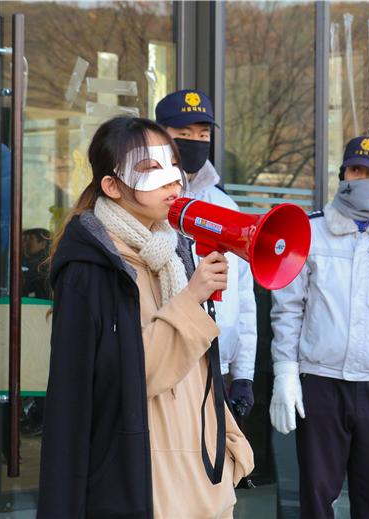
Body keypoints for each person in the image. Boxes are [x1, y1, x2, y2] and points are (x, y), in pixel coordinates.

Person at [37, 116, 253, 519]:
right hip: (144, 486)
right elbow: (122, 380)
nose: (172, 179)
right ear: (111, 185)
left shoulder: (177, 254)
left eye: (173, 164)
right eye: (151, 167)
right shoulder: (91, 269)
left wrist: (230, 448)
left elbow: (199, 373)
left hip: (204, 481)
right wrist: (190, 300)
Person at [270, 136, 369, 518]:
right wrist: (285, 372)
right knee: (317, 496)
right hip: (321, 382)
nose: (363, 179)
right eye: (356, 170)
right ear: (343, 175)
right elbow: (288, 310)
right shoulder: (310, 232)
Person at [156, 89, 257, 420]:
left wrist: (243, 375)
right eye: (184, 134)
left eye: (203, 135)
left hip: (219, 368)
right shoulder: (149, 203)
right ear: (160, 135)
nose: (195, 142)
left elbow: (243, 298)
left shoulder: (225, 205)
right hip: (167, 365)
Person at [22, 227, 51, 299]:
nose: (27, 243)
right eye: (26, 239)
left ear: (43, 243)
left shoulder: (38, 265)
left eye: (31, 238)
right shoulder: (29, 261)